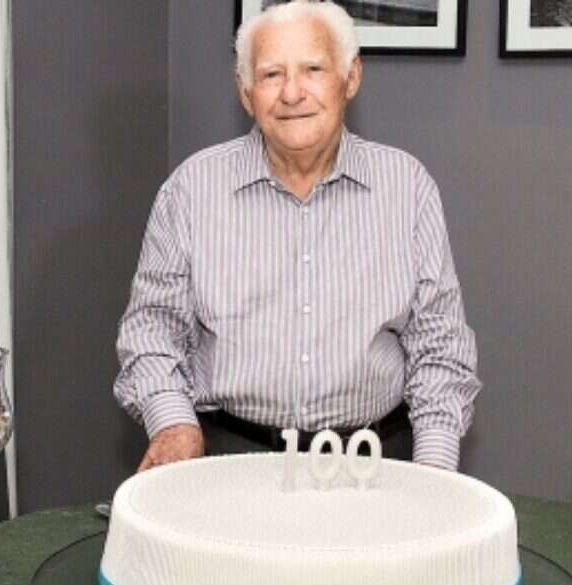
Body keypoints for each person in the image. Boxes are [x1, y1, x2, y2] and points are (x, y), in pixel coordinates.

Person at [114, 0, 480, 474]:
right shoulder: (190, 190)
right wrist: (173, 423)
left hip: (374, 464)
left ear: (350, 78)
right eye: (271, 75)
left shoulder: (407, 187)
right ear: (245, 93)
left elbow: (440, 348)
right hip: (227, 460)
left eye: (313, 69)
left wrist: (433, 475)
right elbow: (152, 329)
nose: (291, 93)